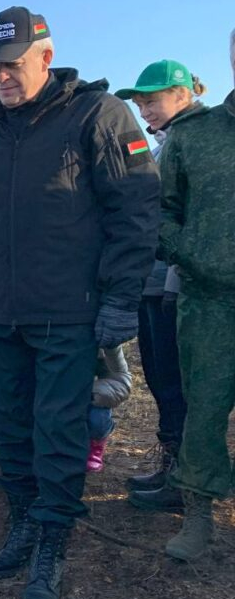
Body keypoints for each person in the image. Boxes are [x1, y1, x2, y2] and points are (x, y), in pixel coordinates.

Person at [0, 7, 159, 599]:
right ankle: (22, 523)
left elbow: (136, 210)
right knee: (12, 429)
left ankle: (52, 544)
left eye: (12, 65)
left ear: (46, 56)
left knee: (59, 431)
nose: (2, 79)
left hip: (69, 313)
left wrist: (122, 297)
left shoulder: (99, 116)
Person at [153, 31, 235, 561]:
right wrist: (199, 253)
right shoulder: (196, 135)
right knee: (203, 407)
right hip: (209, 302)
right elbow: (159, 211)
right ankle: (199, 516)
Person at [115, 60, 208, 512]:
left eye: (151, 100)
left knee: (180, 382)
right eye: (139, 103)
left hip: (178, 286)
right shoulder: (157, 149)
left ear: (183, 94)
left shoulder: (196, 144)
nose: (144, 110)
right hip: (151, 286)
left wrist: (173, 282)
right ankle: (172, 464)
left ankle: (187, 478)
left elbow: (189, 220)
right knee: (159, 380)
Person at [86, 346, 132, 472]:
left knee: (97, 419)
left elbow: (120, 379)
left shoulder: (107, 341)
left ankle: (96, 443)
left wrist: (89, 393)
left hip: (93, 394)